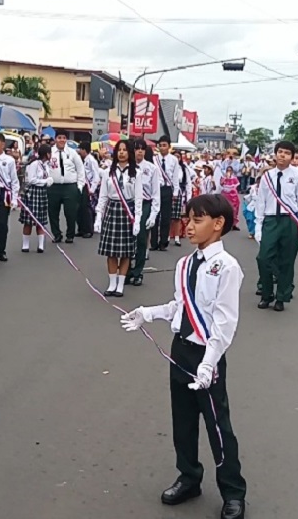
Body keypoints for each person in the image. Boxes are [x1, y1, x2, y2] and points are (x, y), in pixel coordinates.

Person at [121, 194, 247, 519]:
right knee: (183, 420)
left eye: (197, 220)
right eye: (188, 219)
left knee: (218, 426)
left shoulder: (227, 267)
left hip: (208, 355)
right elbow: (181, 306)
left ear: (218, 224)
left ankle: (233, 491)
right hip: (181, 351)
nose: (189, 226)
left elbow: (224, 321)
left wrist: (209, 363)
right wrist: (148, 313)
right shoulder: (184, 264)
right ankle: (189, 477)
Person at [255, 141, 298, 312]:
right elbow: (260, 202)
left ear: (292, 157)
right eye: (279, 152)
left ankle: (281, 297)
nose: (282, 155)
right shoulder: (267, 176)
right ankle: (266, 293)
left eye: (286, 153)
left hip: (290, 221)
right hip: (270, 220)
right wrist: (258, 224)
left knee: (287, 261)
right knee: (263, 258)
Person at [94, 139, 142, 298]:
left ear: (129, 153)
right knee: (112, 252)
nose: (121, 152)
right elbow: (103, 196)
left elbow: (138, 198)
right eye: (119, 150)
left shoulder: (136, 172)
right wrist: (98, 217)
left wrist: (137, 220)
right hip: (112, 210)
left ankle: (121, 284)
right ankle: (112, 283)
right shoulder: (108, 171)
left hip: (128, 210)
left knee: (126, 252)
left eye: (125, 150)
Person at [127, 139, 160, 287]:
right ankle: (126, 271)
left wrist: (153, 214)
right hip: (129, 204)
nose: (139, 151)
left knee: (141, 237)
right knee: (127, 238)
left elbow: (155, 194)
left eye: (142, 149)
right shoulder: (127, 167)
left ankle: (138, 272)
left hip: (145, 204)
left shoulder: (151, 169)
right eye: (136, 148)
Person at [47, 131, 85, 243]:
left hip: (70, 186)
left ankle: (70, 235)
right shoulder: (50, 152)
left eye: (64, 138)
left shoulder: (72, 153)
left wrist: (80, 186)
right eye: (59, 138)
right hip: (54, 186)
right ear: (55, 139)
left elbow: (80, 169)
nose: (62, 140)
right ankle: (57, 234)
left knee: (70, 212)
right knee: (53, 212)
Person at [0, 132, 20, 262]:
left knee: (2, 223)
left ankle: (2, 250)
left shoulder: (9, 160)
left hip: (4, 193)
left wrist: (14, 198)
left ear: (2, 144)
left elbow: (14, 180)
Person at [20, 143, 53, 253]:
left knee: (41, 221)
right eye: (50, 153)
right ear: (46, 154)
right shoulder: (34, 164)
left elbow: (47, 177)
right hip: (33, 192)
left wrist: (49, 181)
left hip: (42, 193)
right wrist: (45, 182)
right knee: (28, 220)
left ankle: (40, 245)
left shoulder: (47, 165)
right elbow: (32, 180)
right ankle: (25, 245)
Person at [151, 135, 179, 251]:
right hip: (155, 190)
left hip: (167, 189)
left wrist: (175, 192)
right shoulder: (154, 159)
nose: (162, 148)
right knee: (154, 216)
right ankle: (153, 243)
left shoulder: (174, 160)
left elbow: (175, 177)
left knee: (166, 217)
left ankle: (163, 242)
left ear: (169, 147)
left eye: (164, 145)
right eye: (160, 146)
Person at [77, 142, 101, 238]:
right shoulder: (82, 160)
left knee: (87, 210)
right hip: (82, 185)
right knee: (80, 209)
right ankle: (81, 229)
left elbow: (96, 176)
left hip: (89, 186)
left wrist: (92, 189)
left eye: (80, 149)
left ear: (84, 150)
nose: (79, 151)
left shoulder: (91, 160)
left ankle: (88, 230)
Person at [170, 153, 194, 246]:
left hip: (180, 193)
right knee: (167, 217)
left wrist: (188, 197)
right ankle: (167, 237)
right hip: (169, 192)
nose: (176, 158)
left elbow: (188, 183)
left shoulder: (184, 169)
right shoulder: (169, 167)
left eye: (178, 157)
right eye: (175, 156)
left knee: (177, 217)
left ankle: (177, 237)